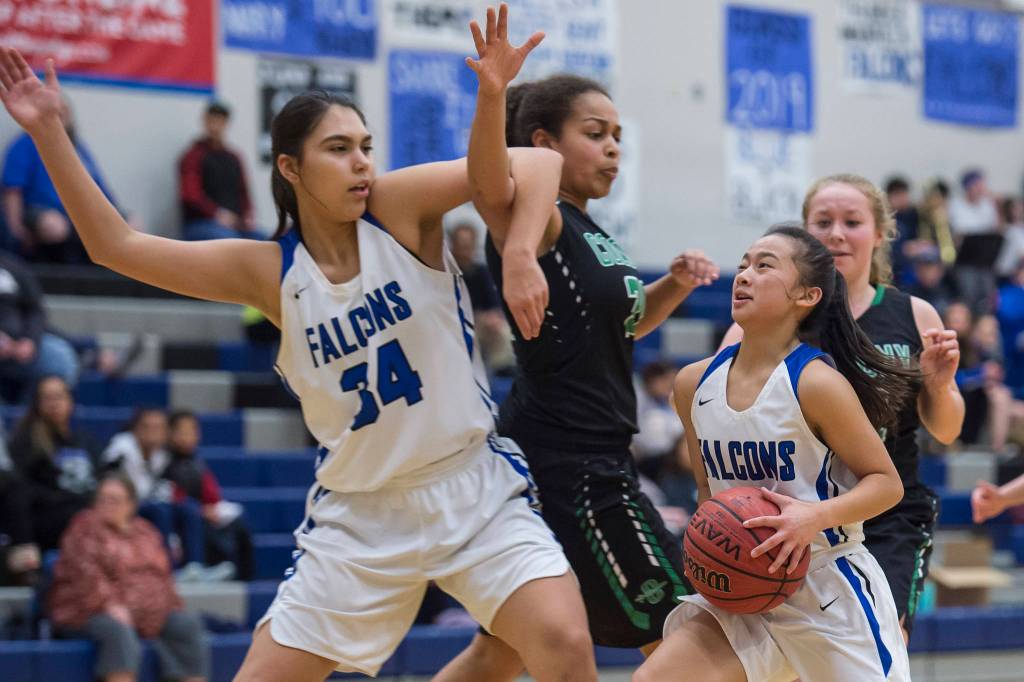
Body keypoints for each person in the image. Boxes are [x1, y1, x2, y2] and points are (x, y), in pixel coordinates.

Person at [0, 19, 597, 681]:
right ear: (290, 166)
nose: (362, 162)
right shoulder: (268, 271)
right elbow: (117, 247)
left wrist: (518, 251)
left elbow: (540, 163)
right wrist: (50, 131)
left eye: (366, 146)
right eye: (339, 148)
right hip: (362, 515)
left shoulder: (397, 212)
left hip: (471, 487)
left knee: (564, 646)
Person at [436, 9, 719, 680]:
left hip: (566, 456)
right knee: (694, 631)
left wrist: (673, 284)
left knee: (499, 651)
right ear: (544, 142)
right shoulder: (530, 218)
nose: (615, 147)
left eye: (619, 135)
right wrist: (492, 92)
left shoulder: (590, 232)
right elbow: (490, 179)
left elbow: (622, 325)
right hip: (575, 469)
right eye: (596, 134)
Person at [636, 224, 913, 682]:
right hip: (742, 585)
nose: (744, 275)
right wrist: (709, 549)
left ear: (806, 296)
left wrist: (810, 517)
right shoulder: (692, 385)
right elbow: (708, 493)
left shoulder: (817, 384)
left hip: (826, 586)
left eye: (764, 266)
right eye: (743, 264)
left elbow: (887, 484)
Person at [719, 174, 965, 643]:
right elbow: (717, 396)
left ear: (879, 234)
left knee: (880, 643)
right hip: (798, 509)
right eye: (822, 221)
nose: (836, 233)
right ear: (805, 234)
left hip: (889, 513)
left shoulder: (915, 314)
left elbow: (948, 431)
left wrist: (941, 383)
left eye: (852, 222)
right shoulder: (778, 316)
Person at [49, 473, 209, 682]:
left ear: (131, 505)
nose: (107, 505)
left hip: (146, 613)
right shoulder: (84, 528)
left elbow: (163, 576)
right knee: (118, 631)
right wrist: (108, 605)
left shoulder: (146, 532)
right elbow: (86, 576)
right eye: (103, 499)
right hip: (91, 611)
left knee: (186, 625)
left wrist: (170, 604)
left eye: (115, 500)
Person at [1, 95, 128, 263]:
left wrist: (120, 219)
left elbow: (100, 190)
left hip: (78, 213)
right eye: (55, 113)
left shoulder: (79, 148)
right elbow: (12, 190)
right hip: (39, 211)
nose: (60, 118)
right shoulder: (25, 145)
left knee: (129, 228)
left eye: (64, 113)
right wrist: (15, 230)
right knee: (55, 226)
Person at [8, 375, 103, 551]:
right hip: (50, 522)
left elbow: (100, 478)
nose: (54, 403)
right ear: (37, 404)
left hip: (87, 514)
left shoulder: (85, 441)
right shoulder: (26, 442)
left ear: (70, 401)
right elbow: (21, 493)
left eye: (59, 396)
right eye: (47, 398)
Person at [104, 408, 206, 570]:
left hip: (154, 502)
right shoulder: (119, 451)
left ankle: (194, 566)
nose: (153, 432)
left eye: (158, 428)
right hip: (126, 507)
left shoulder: (165, 455)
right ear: (135, 429)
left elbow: (170, 488)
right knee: (161, 510)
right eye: (148, 427)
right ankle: (167, 567)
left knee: (190, 507)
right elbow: (112, 486)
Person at [164, 410, 254, 581]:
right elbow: (169, 496)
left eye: (192, 431)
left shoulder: (197, 463)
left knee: (238, 522)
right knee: (198, 520)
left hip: (202, 513)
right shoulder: (164, 462)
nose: (188, 436)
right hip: (181, 518)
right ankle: (200, 568)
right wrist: (202, 510)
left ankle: (243, 579)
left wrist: (212, 508)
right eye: (182, 431)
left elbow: (212, 495)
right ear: (170, 433)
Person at [0, 250, 79, 403]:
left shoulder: (12, 266)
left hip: (19, 346)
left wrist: (30, 340)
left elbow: (35, 309)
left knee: (58, 358)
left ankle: (29, 419)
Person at [178, 101, 258, 241]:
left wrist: (248, 214)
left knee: (268, 242)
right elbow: (191, 196)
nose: (215, 126)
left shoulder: (234, 157)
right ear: (204, 121)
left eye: (220, 121)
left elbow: (243, 191)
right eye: (212, 120)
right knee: (232, 242)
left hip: (235, 224)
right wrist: (216, 214)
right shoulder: (193, 156)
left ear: (227, 123)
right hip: (201, 223)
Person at [448, 221, 513, 372]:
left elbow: (494, 305)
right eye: (461, 245)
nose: (465, 250)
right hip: (454, 323)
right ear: (453, 245)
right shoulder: (446, 273)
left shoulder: (482, 271)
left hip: (480, 322)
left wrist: (491, 318)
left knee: (502, 330)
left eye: (468, 245)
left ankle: (503, 371)